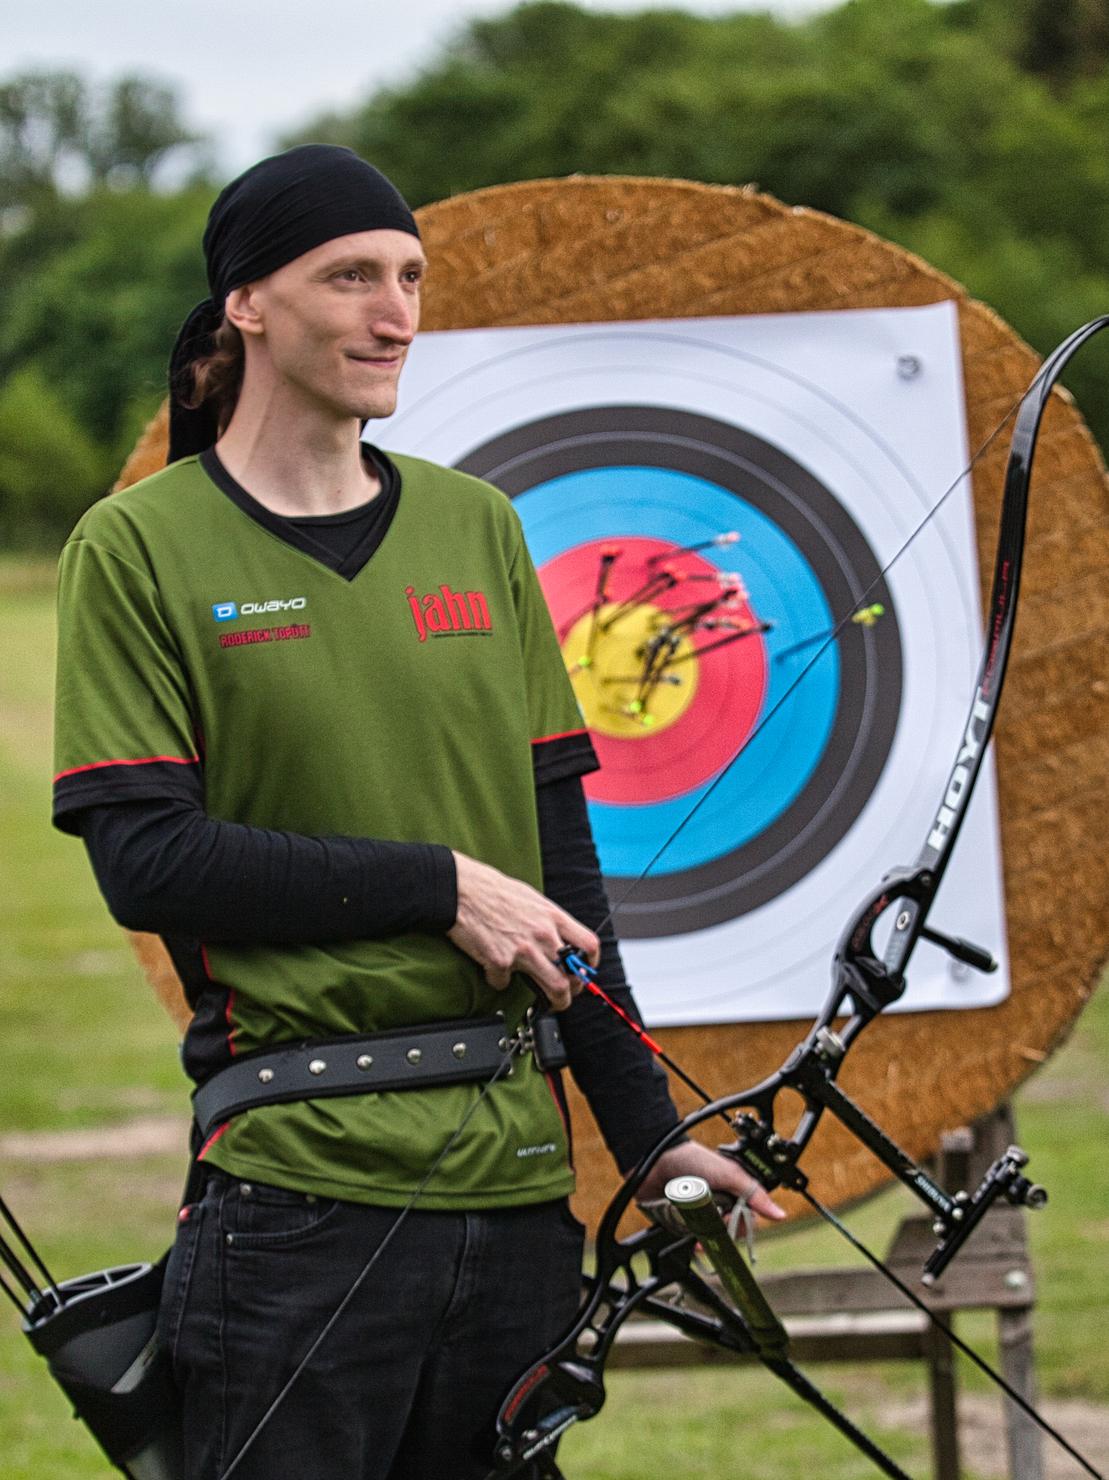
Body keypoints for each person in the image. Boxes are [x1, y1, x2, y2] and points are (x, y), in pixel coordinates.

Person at [51, 144, 783, 1480]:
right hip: (298, 1191)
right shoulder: (141, 545)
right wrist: (438, 882)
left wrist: (649, 1142)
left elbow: (565, 881)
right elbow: (148, 859)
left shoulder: (480, 529)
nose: (396, 312)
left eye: (410, 277)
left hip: (513, 1195)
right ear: (248, 306)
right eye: (349, 277)